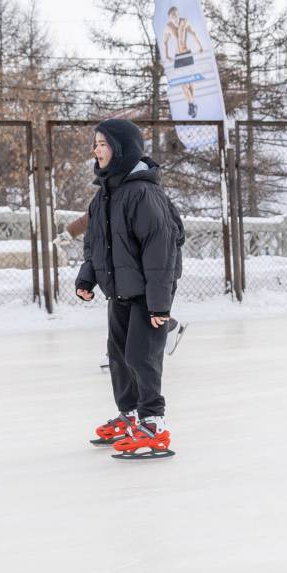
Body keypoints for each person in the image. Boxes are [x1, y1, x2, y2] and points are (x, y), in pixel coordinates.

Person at [75, 119, 184, 459]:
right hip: (118, 289)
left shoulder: (143, 193)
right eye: (95, 143)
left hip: (148, 293)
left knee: (141, 356)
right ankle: (131, 416)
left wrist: (159, 306)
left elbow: (161, 251)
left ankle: (153, 423)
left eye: (103, 144)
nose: (96, 150)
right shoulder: (104, 195)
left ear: (121, 149)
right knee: (119, 356)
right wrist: (86, 278)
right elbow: (95, 244)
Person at [56, 212, 188, 364]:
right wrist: (68, 233)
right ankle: (118, 351)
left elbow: (174, 232)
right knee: (125, 313)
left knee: (146, 315)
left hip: (160, 270)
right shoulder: (110, 197)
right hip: (133, 271)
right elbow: (90, 217)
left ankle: (163, 334)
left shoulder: (148, 197)